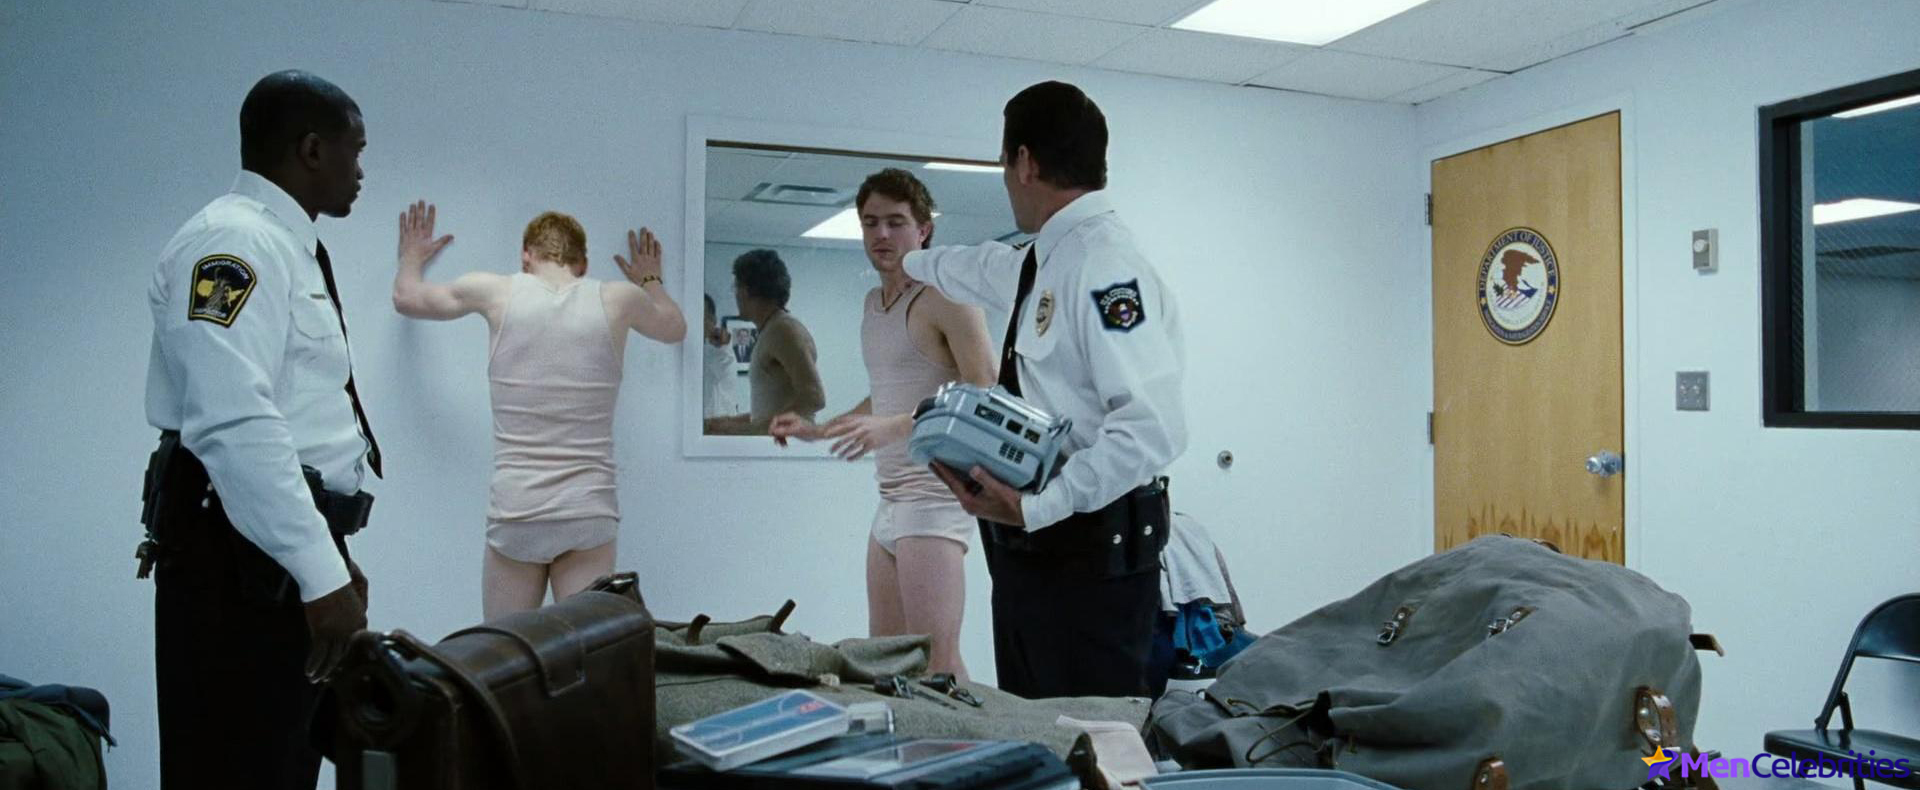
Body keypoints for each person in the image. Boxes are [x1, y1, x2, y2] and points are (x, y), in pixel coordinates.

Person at [906, 81, 1187, 699]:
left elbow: (1152, 428)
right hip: (1035, 559)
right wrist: (908, 258)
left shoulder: (1105, 268)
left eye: (1004, 164)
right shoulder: (1047, 260)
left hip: (1087, 566)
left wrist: (1035, 508)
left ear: (1025, 162)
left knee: (1093, 741)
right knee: (1036, 731)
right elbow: (981, 267)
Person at [141, 69, 376, 789]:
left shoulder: (281, 243)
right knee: (238, 770)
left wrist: (324, 555)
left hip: (271, 552)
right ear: (311, 149)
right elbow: (234, 422)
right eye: (355, 149)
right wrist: (317, 571)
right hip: (235, 566)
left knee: (282, 765)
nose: (360, 170)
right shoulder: (233, 244)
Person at [391, 207, 685, 618]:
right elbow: (675, 327)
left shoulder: (493, 291)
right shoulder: (620, 298)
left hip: (518, 511)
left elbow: (407, 298)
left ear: (525, 256)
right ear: (583, 264)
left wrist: (411, 257)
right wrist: (650, 280)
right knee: (585, 648)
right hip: (588, 511)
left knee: (505, 648)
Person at [769, 168, 995, 679]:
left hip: (935, 498)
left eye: (895, 222)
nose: (882, 234)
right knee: (885, 662)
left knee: (938, 665)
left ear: (924, 230)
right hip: (891, 498)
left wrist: (894, 427)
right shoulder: (875, 304)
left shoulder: (947, 297)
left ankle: (977, 735)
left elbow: (983, 393)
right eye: (870, 223)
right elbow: (887, 396)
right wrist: (818, 429)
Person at [705, 249, 824, 435]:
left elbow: (814, 398)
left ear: (747, 290)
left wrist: (740, 429)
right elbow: (766, 414)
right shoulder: (771, 330)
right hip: (774, 447)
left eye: (736, 287)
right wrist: (721, 423)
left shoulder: (784, 330)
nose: (735, 295)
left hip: (785, 448)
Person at [702, 294, 743, 419]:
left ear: (713, 320)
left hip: (717, 427)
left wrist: (723, 343)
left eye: (701, 315)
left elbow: (723, 358)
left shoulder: (720, 352)